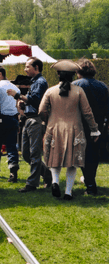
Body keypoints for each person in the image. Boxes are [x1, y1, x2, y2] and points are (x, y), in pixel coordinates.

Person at [39, 60, 100, 200]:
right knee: (73, 162)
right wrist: (94, 129)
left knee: (55, 158)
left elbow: (41, 110)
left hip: (54, 128)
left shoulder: (50, 91)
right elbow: (87, 112)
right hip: (75, 129)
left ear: (58, 74)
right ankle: (68, 192)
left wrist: (48, 120)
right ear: (73, 75)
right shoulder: (79, 91)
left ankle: (55, 182)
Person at [7, 57, 51, 192]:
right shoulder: (35, 82)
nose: (25, 69)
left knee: (34, 154)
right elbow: (32, 101)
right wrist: (23, 103)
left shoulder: (40, 82)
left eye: (27, 67)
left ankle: (32, 184)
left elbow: (36, 100)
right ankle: (48, 175)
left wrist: (18, 96)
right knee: (26, 154)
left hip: (35, 120)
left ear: (36, 68)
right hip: (29, 119)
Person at [72, 58, 109, 196]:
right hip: (98, 126)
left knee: (81, 154)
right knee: (94, 155)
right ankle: (90, 180)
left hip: (80, 124)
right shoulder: (103, 86)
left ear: (78, 71)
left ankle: (90, 183)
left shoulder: (75, 85)